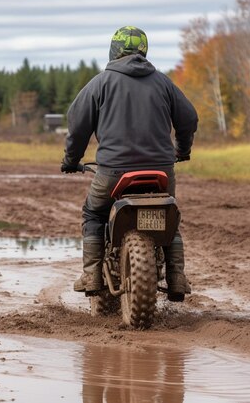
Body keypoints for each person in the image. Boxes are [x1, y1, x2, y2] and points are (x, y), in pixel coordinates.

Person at [60, 26, 198, 302]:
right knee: (171, 218)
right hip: (161, 170)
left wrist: (71, 160)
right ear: (144, 51)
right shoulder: (163, 82)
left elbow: (77, 126)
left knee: (93, 214)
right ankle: (176, 278)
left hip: (113, 171)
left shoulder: (100, 83)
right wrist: (181, 150)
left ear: (114, 50)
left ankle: (91, 275)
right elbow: (189, 119)